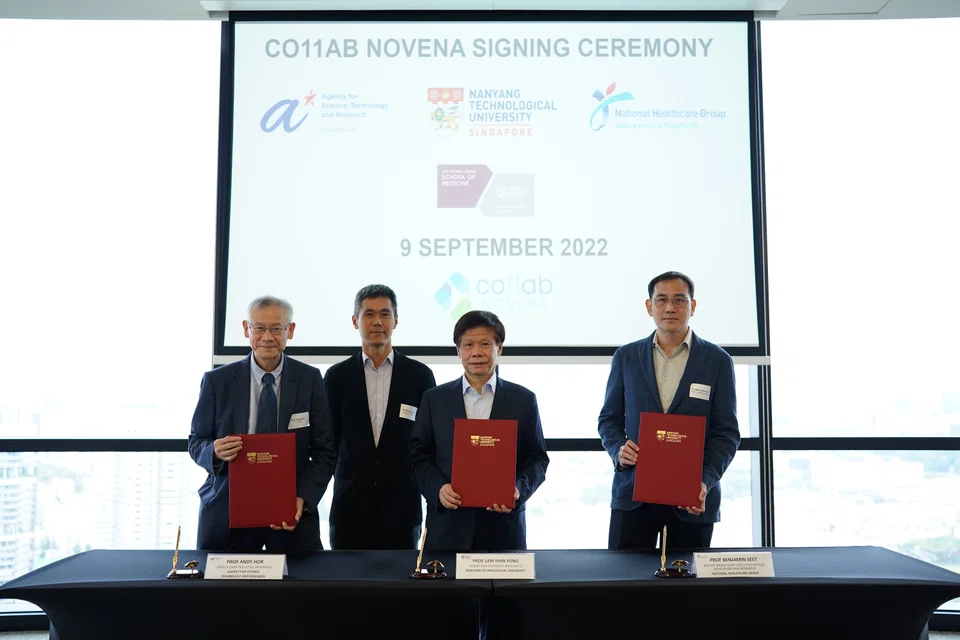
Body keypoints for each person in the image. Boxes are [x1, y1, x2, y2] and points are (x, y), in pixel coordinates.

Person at [598, 271, 740, 550]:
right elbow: (609, 420)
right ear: (649, 307)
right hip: (634, 493)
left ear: (693, 306)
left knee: (687, 590)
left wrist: (704, 481)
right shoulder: (626, 357)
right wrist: (618, 449)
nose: (670, 308)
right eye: (661, 300)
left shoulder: (717, 361)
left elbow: (727, 433)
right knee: (624, 587)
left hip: (693, 499)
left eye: (679, 300)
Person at [188, 296, 337, 552]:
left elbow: (325, 452)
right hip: (228, 511)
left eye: (276, 328)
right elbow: (195, 442)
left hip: (291, 512)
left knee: (300, 591)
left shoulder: (310, 380)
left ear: (290, 331)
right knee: (226, 593)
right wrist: (214, 450)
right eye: (259, 328)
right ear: (246, 329)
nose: (267, 336)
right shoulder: (217, 381)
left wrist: (302, 498)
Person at [409, 310, 549, 551]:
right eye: (468, 345)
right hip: (447, 529)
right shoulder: (435, 399)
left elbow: (537, 459)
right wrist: (438, 489)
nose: (476, 352)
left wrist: (517, 491)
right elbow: (418, 456)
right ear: (458, 351)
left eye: (485, 344)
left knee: (507, 591)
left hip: (503, 529)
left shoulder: (523, 400)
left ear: (499, 349)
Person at [324, 285, 437, 550]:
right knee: (346, 589)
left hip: (403, 510)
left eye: (385, 314)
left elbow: (428, 443)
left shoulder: (420, 376)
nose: (377, 321)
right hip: (349, 510)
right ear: (355, 321)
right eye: (369, 314)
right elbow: (327, 445)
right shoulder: (336, 377)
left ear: (396, 320)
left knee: (404, 591)